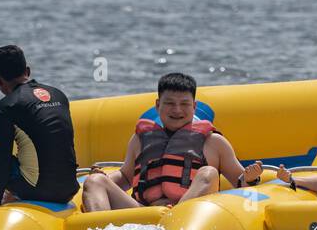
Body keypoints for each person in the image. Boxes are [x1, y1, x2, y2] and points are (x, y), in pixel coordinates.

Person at [80, 73, 262, 211]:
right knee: (94, 181)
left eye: (184, 104)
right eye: (169, 103)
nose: (177, 110)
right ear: (158, 105)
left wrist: (250, 178)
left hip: (189, 216)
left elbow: (240, 185)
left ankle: (176, 219)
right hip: (143, 213)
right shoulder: (140, 139)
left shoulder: (215, 142)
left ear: (194, 106)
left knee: (209, 172)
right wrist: (105, 179)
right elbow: (127, 178)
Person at [0, 45, 79, 229]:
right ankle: (9, 202)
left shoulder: (6, 106)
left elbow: (2, 159)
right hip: (69, 190)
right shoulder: (58, 94)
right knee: (25, 162)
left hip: (38, 190)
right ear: (27, 71)